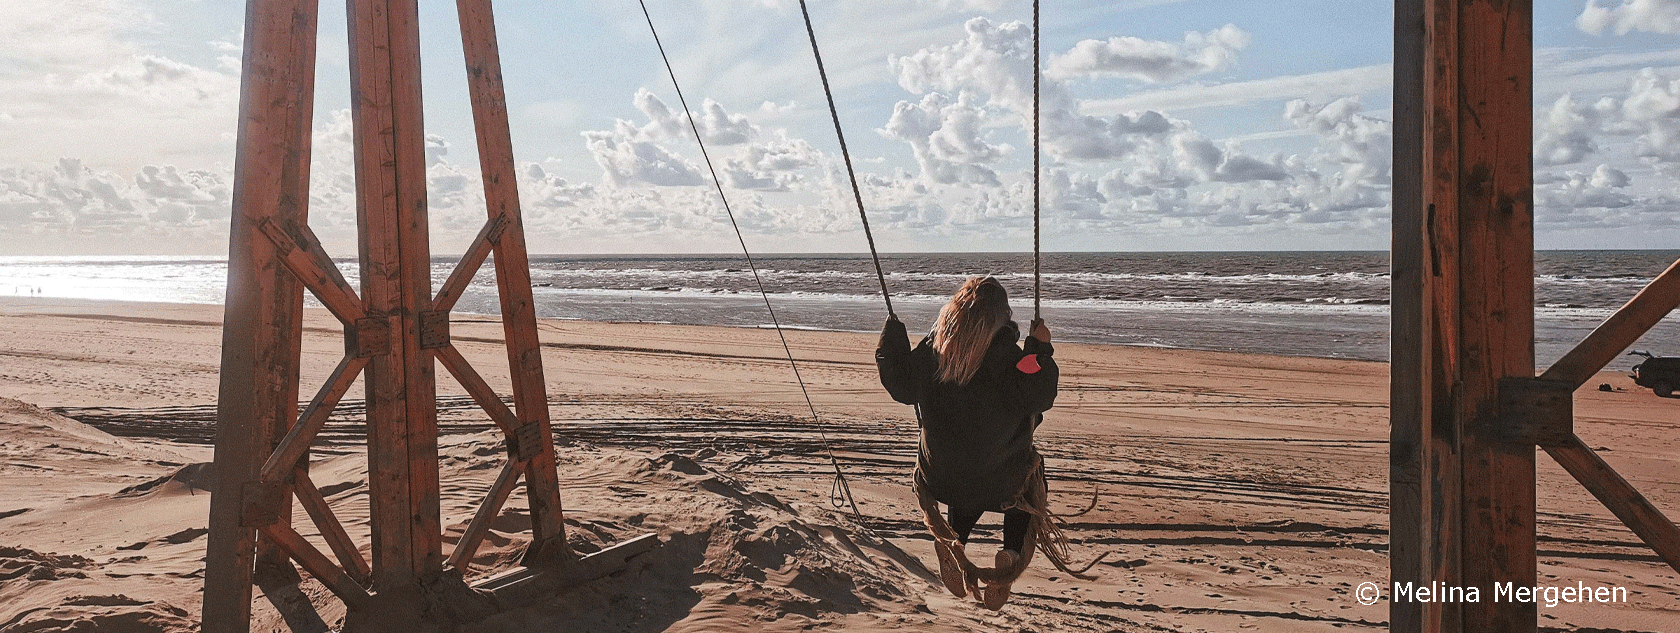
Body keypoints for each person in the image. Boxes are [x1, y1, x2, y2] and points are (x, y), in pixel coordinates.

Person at [875, 276, 1057, 607]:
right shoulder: (1013, 361)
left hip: (940, 478)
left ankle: (953, 541)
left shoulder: (934, 353)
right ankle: (1011, 554)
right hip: (1001, 481)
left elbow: (899, 382)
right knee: (1027, 479)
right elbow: (1041, 394)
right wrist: (1040, 347)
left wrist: (893, 334)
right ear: (1002, 318)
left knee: (965, 468)